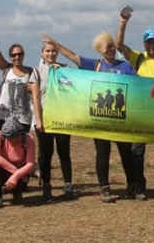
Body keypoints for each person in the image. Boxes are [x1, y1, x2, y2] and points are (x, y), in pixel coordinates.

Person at [40, 31, 138, 203]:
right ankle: (104, 188)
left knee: (126, 154)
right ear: (100, 49)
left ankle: (132, 187)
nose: (110, 49)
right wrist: (54, 43)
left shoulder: (126, 66)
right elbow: (73, 56)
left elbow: (141, 85)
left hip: (122, 118)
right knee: (102, 153)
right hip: (100, 118)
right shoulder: (95, 65)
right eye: (107, 47)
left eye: (112, 46)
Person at [115, 10, 154, 201]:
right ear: (144, 44)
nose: (152, 45)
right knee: (136, 151)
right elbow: (119, 45)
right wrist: (123, 22)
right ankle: (139, 186)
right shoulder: (138, 58)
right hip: (140, 113)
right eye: (148, 42)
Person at [0, 13, 42, 131]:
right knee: (5, 147)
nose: (17, 57)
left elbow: (36, 97)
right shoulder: (6, 69)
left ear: (24, 55)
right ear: (10, 57)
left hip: (24, 117)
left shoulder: (32, 72)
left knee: (21, 147)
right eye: (13, 55)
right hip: (4, 116)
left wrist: (38, 120)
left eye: (19, 54)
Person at [36, 41, 74, 201]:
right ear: (42, 53)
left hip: (61, 118)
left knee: (64, 153)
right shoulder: (36, 72)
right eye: (47, 51)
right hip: (44, 119)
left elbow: (74, 89)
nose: (51, 54)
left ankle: (68, 185)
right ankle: (46, 185)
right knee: (45, 154)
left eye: (53, 51)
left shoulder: (65, 69)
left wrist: (63, 74)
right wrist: (38, 119)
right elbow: (35, 96)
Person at [0, 120, 37, 209]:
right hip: (5, 169)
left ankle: (17, 193)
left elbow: (30, 164)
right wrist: (15, 173)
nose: (9, 140)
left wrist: (16, 176)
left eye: (12, 138)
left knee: (23, 175)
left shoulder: (28, 139)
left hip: (21, 170)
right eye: (7, 138)